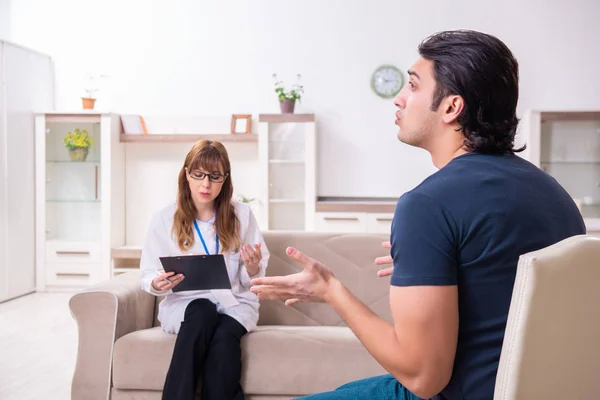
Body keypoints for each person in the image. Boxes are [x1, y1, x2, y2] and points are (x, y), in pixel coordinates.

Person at [250, 30, 586, 400]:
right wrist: (449, 265)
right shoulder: (554, 195)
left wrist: (331, 290)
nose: (399, 98)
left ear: (451, 107)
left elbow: (424, 378)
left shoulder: (428, 204)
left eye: (412, 85)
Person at [140, 139, 269, 400]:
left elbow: (253, 277)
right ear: (186, 174)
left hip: (235, 304)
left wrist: (253, 268)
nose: (206, 184)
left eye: (214, 176)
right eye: (198, 175)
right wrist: (157, 283)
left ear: (225, 179)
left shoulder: (241, 216)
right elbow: (147, 272)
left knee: (223, 340)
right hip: (185, 305)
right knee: (202, 311)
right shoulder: (165, 217)